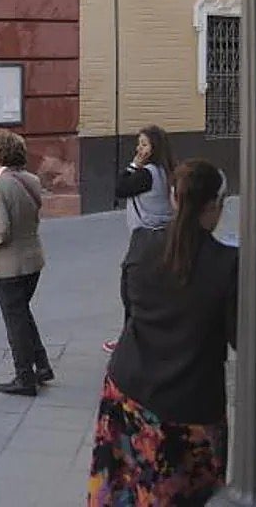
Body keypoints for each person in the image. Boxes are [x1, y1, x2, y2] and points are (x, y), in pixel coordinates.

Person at [88, 159, 237, 504]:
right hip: (190, 403)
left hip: (127, 391)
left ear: (173, 198)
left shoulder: (141, 244)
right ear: (214, 205)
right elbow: (239, 337)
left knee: (123, 489)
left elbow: (130, 304)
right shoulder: (227, 264)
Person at [0, 131, 51, 397]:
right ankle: (41, 365)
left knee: (15, 321)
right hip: (33, 258)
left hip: (8, 265)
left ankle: (25, 376)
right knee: (23, 313)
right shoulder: (31, 180)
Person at [105, 125, 176, 354]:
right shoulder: (167, 171)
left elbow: (120, 187)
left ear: (154, 148)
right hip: (163, 234)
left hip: (146, 237)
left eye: (144, 144)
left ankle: (131, 342)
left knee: (131, 290)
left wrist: (135, 163)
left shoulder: (147, 174)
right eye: (139, 143)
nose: (139, 148)